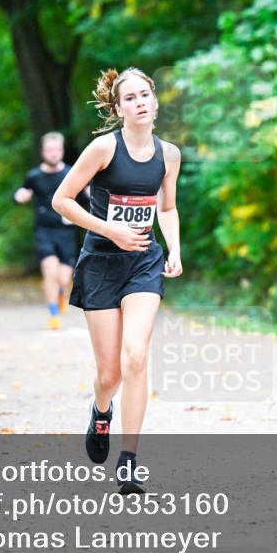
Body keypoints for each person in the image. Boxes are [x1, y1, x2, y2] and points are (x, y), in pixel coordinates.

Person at [51, 67, 182, 494]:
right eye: (130, 97)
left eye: (145, 94)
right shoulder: (104, 148)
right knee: (110, 374)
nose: (140, 102)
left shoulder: (169, 155)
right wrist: (111, 229)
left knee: (136, 357)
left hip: (144, 262)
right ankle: (101, 410)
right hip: (101, 264)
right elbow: (62, 200)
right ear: (118, 107)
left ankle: (129, 461)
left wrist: (174, 248)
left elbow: (166, 208)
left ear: (155, 101)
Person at [14, 132, 83, 330]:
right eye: (49, 150)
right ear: (43, 152)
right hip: (44, 231)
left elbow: (84, 199)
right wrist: (20, 196)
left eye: (57, 149)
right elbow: (21, 192)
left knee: (64, 278)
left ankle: (61, 292)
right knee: (50, 271)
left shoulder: (70, 173)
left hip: (67, 231)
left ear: (62, 151)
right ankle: (53, 313)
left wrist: (89, 193)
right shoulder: (34, 176)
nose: (53, 153)